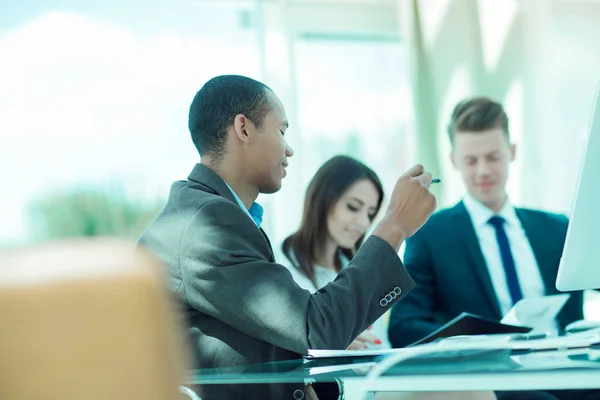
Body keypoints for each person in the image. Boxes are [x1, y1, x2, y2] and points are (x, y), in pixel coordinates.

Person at [138, 74, 437, 400]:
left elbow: (252, 343)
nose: (290, 149)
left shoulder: (210, 214)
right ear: (244, 128)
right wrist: (393, 226)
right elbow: (316, 329)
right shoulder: (208, 223)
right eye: (281, 131)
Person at [387, 96, 592, 400]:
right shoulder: (430, 235)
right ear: (454, 160)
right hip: (497, 380)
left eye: (493, 157)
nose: (483, 170)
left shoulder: (557, 228)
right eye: (471, 160)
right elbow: (404, 326)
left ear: (512, 152)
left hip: (568, 370)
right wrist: (477, 339)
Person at [279, 155, 392, 350]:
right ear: (323, 200)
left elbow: (382, 350)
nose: (364, 223)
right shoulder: (279, 268)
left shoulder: (362, 275)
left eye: (370, 213)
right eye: (353, 207)